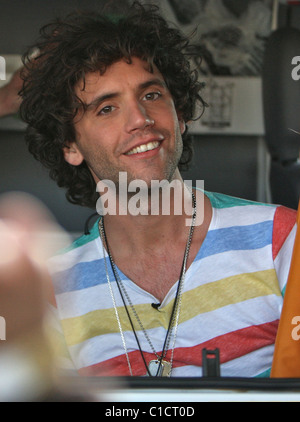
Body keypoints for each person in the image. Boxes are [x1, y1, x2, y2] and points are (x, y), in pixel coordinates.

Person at [10, 1, 296, 379]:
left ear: (180, 115)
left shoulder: (283, 240)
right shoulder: (51, 287)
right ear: (70, 146)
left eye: (151, 95)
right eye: (107, 109)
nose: (141, 120)